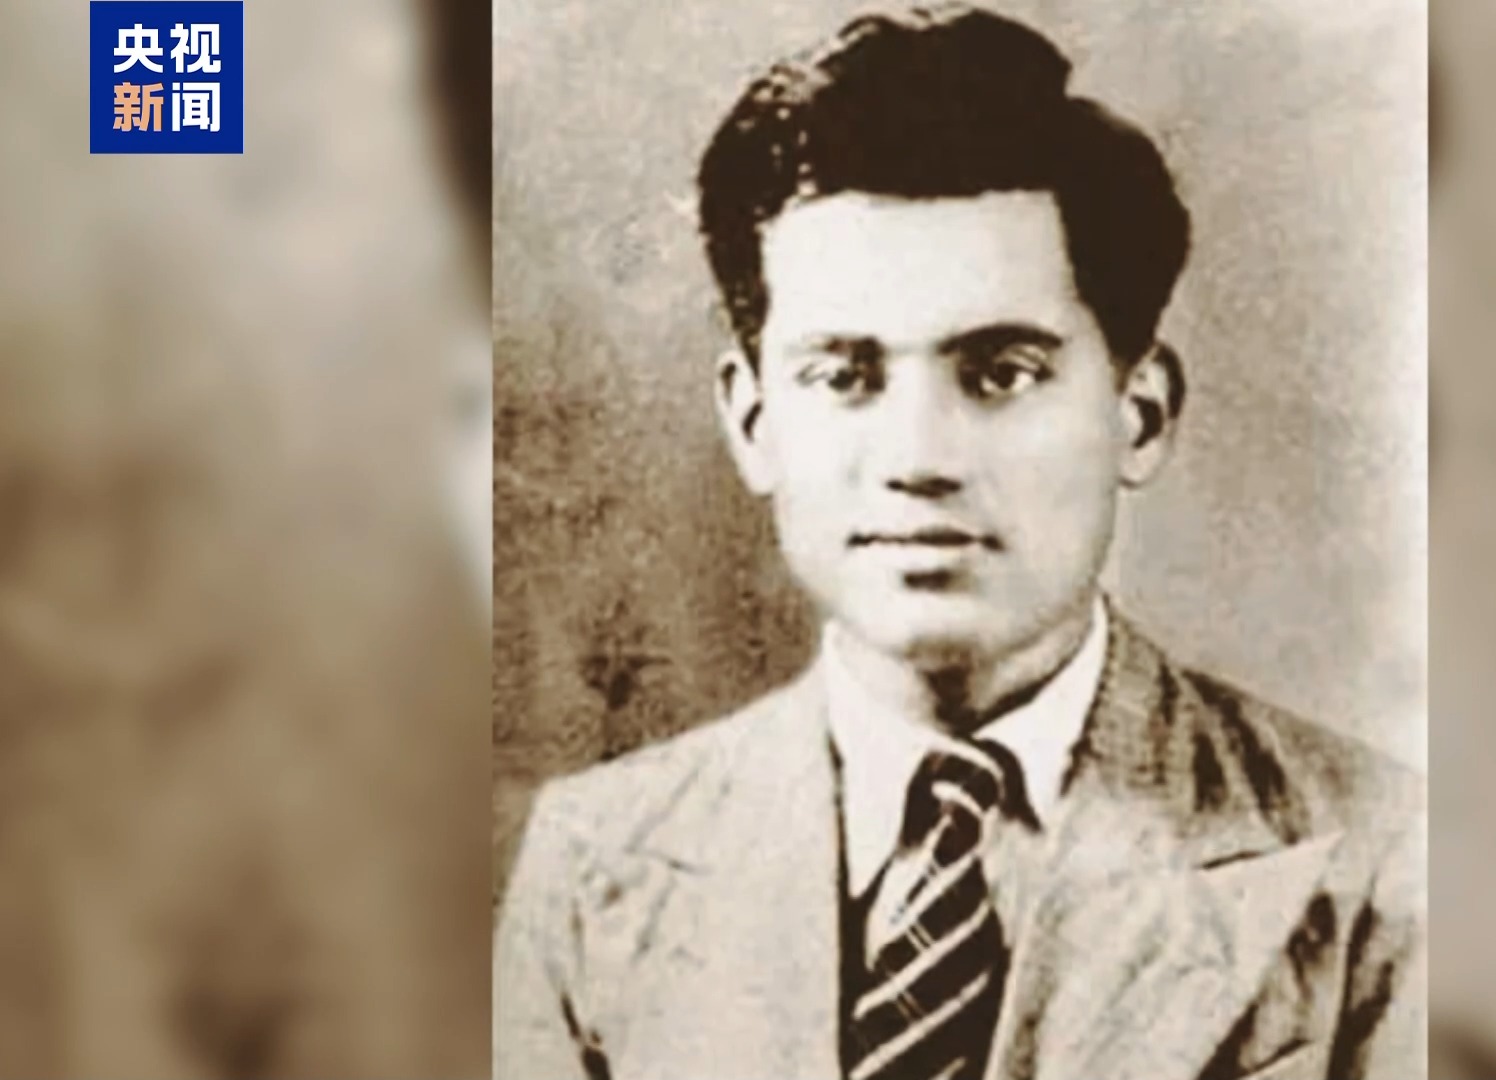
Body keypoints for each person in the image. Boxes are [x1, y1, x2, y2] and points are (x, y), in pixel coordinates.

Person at [493, 7, 1425, 1079]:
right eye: (844, 377)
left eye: (1002, 373)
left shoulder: (1384, 859)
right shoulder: (596, 867)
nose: (919, 458)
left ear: (1140, 414)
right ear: (753, 422)